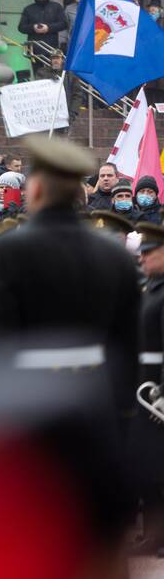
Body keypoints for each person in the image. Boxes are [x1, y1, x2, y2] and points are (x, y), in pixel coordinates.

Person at [0, 137, 139, 485]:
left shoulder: (7, 251)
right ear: (79, 193)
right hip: (98, 399)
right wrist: (124, 412)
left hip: (25, 403)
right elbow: (128, 344)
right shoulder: (115, 255)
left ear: (34, 190)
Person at [132, 222, 164, 554]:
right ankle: (154, 532)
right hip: (143, 383)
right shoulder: (148, 288)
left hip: (157, 386)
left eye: (149, 253)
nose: (142, 259)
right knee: (147, 463)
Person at [18, 0, 67, 68]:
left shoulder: (56, 7)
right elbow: (21, 27)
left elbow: (63, 24)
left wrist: (48, 28)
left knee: (54, 73)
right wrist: (33, 27)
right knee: (38, 73)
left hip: (52, 47)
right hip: (35, 48)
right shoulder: (28, 9)